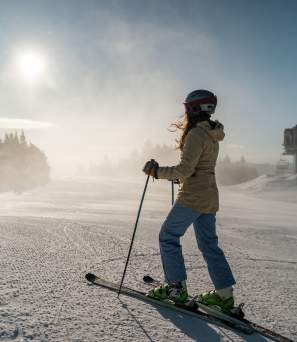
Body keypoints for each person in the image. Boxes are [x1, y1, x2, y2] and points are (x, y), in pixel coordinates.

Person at [142, 89, 236, 313]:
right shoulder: (213, 134)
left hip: (193, 196)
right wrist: (181, 177)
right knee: (209, 245)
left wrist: (156, 171)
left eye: (187, 108)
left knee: (168, 236)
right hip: (209, 196)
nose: (185, 112)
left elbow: (185, 169)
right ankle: (224, 296)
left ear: (194, 109)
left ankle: (176, 288)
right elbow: (199, 168)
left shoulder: (196, 133)